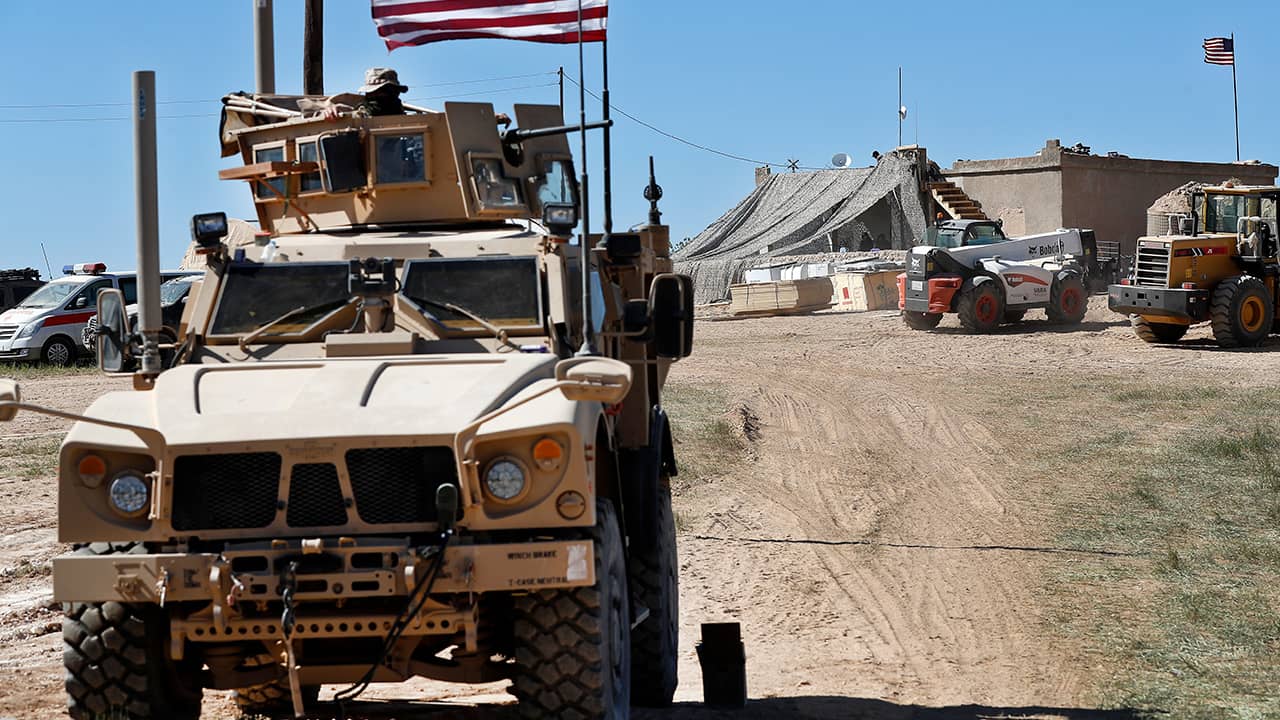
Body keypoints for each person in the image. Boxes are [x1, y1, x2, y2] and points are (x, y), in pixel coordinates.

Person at [317, 67, 408, 120]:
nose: (385, 96)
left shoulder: (409, 123)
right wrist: (331, 112)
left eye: (391, 91)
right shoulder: (359, 118)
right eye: (376, 92)